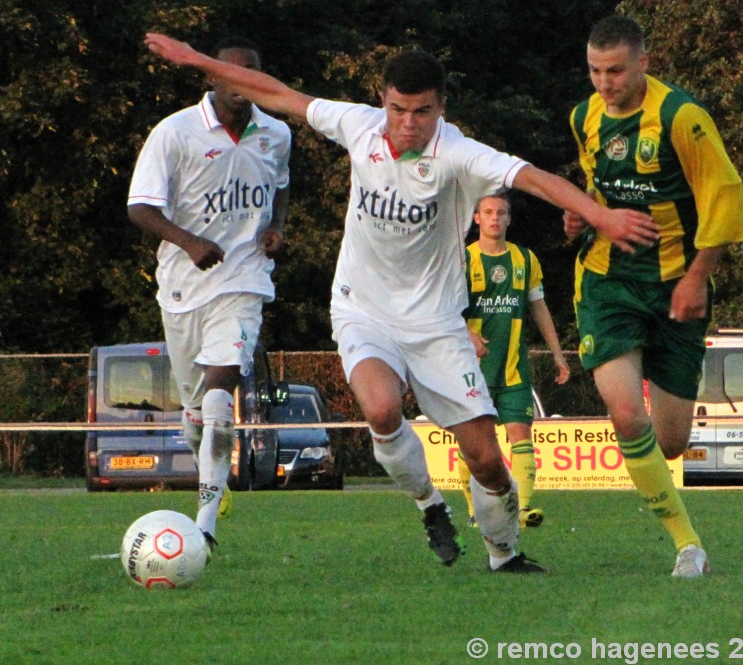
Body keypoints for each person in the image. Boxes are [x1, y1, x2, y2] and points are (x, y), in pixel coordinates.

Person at [145, 32, 658, 573]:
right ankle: (430, 507)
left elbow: (537, 179)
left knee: (486, 459)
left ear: (441, 108)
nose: (407, 123)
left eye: (422, 112)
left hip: (437, 323)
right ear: (382, 99)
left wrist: (602, 217)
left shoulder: (459, 153)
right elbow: (277, 93)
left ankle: (502, 552)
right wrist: (198, 61)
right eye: (397, 109)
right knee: (383, 408)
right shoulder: (358, 125)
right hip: (361, 309)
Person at [564, 16, 743, 578]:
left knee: (670, 441)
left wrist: (696, 277)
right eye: (595, 71)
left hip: (675, 289)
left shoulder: (680, 117)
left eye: (615, 70)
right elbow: (595, 184)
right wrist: (584, 214)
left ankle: (678, 519)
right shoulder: (583, 116)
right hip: (605, 282)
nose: (604, 83)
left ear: (645, 61)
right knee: (626, 417)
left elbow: (725, 195)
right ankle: (687, 545)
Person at [128, 36, 291, 555]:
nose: (243, 82)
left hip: (244, 282)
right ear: (212, 78)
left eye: (253, 73)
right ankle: (206, 467)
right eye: (233, 73)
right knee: (197, 414)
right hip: (182, 288)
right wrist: (189, 241)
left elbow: (281, 186)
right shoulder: (175, 133)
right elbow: (140, 206)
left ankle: (204, 524)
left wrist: (276, 230)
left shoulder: (277, 133)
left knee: (222, 396)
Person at [457, 193, 570, 530]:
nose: (494, 218)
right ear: (476, 218)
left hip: (514, 367)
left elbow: (539, 307)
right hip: (471, 369)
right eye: (488, 212)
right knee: (475, 445)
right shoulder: (463, 259)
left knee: (522, 436)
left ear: (509, 219)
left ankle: (521, 508)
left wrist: (558, 353)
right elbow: (442, 306)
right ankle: (475, 511)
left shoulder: (524, 259)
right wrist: (468, 333)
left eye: (501, 213)